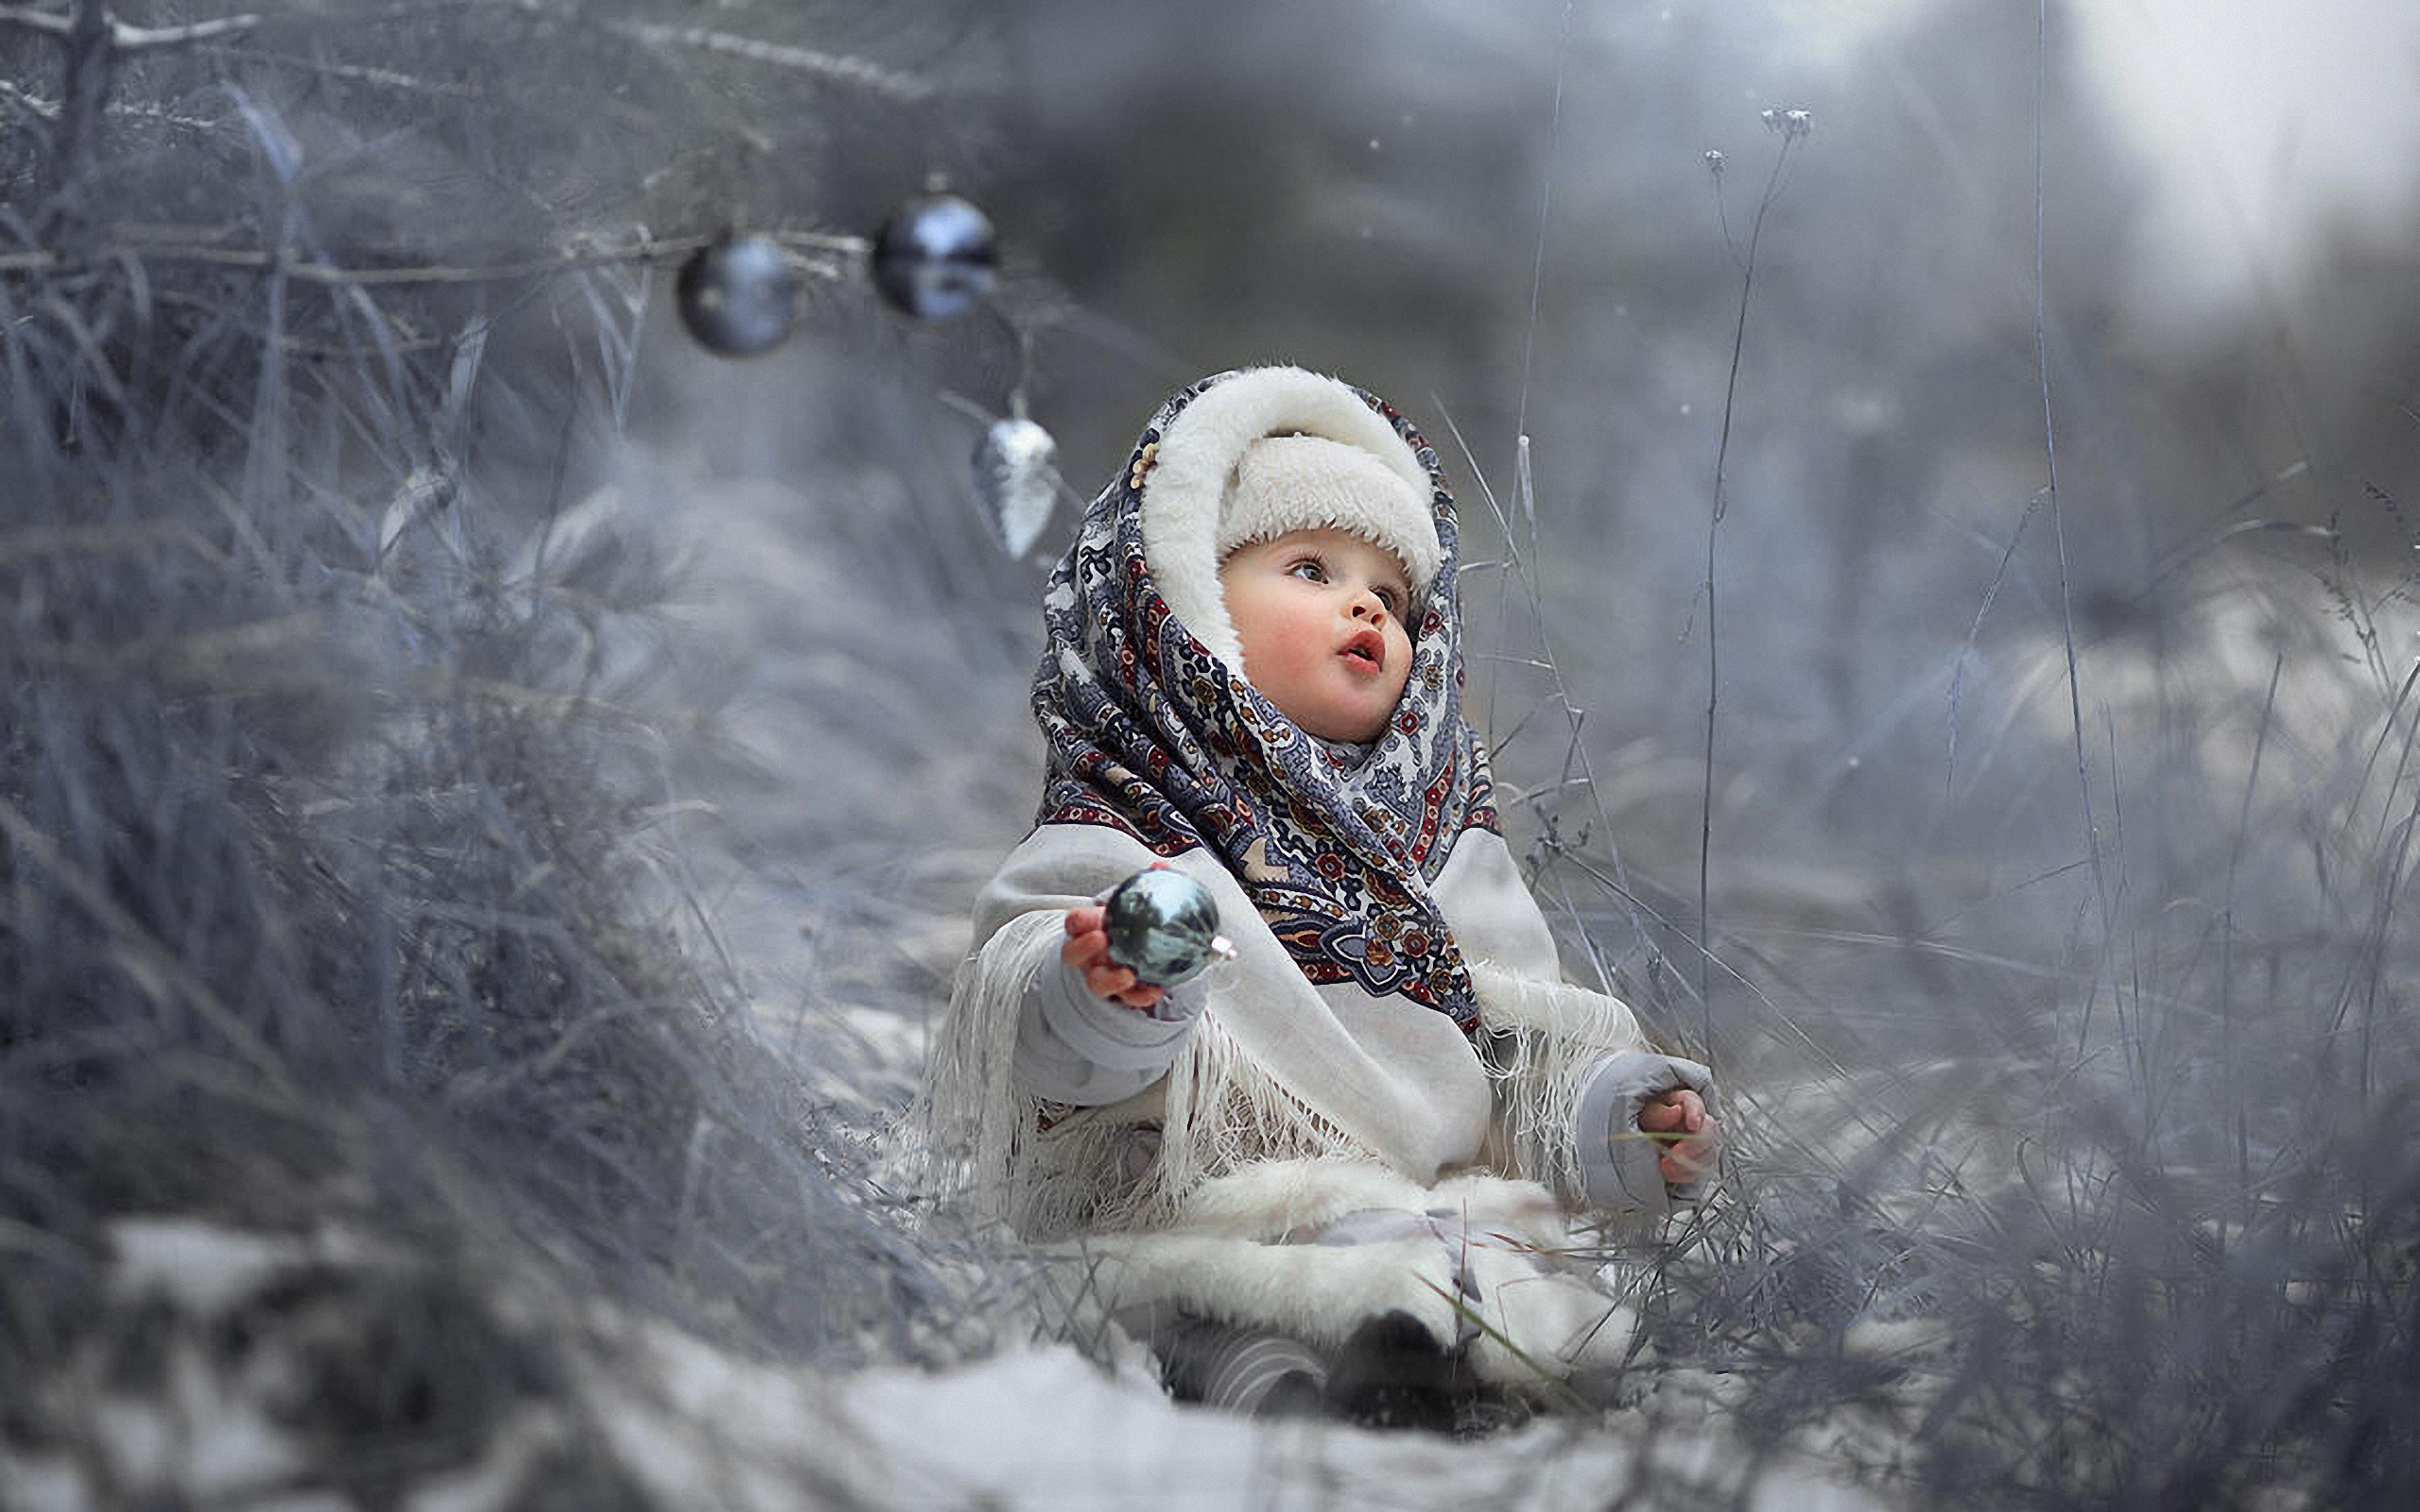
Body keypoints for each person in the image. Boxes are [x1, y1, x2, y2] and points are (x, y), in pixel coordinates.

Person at [918, 366, 1715, 1429]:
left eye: (1390, 596)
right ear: (1183, 602)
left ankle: (1421, 1370)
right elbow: (1046, 1057)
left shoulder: (1438, 845)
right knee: (1219, 1304)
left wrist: (1622, 1122)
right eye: (1309, 566)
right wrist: (1106, 986)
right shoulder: (1130, 820)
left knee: (1528, 1306)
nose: (1361, 605)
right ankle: (1273, 1383)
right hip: (1196, 1210)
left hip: (1416, 1219)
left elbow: (1511, 1061)